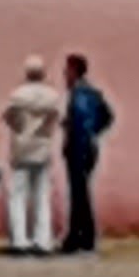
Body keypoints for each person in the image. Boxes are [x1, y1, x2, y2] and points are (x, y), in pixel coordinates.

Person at [0, 58, 65, 254]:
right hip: (42, 148)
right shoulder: (52, 96)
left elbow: (8, 118)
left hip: (21, 149)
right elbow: (55, 118)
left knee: (18, 196)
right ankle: (42, 240)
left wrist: (21, 130)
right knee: (42, 196)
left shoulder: (17, 95)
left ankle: (20, 241)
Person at [61, 53, 112, 252]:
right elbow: (107, 116)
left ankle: (79, 236)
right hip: (88, 146)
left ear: (74, 71)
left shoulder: (79, 94)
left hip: (78, 148)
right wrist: (94, 131)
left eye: (67, 70)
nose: (65, 74)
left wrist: (77, 130)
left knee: (78, 193)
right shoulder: (92, 93)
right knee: (81, 192)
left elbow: (79, 120)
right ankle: (82, 235)